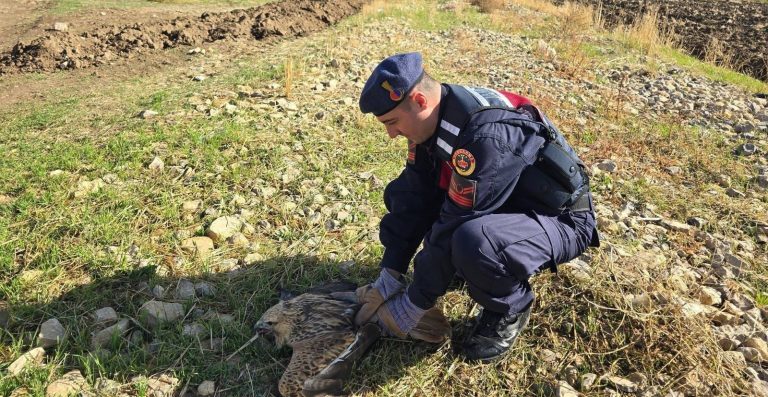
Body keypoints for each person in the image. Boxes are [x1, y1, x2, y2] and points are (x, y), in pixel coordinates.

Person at [354, 52, 599, 362]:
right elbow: (415, 196)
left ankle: (510, 307)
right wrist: (391, 270)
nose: (391, 134)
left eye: (392, 123)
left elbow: (456, 222)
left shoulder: (484, 135)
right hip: (504, 202)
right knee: (402, 194)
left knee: (474, 242)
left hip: (558, 218)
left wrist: (413, 304)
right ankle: (460, 268)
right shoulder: (433, 117)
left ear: (418, 100)